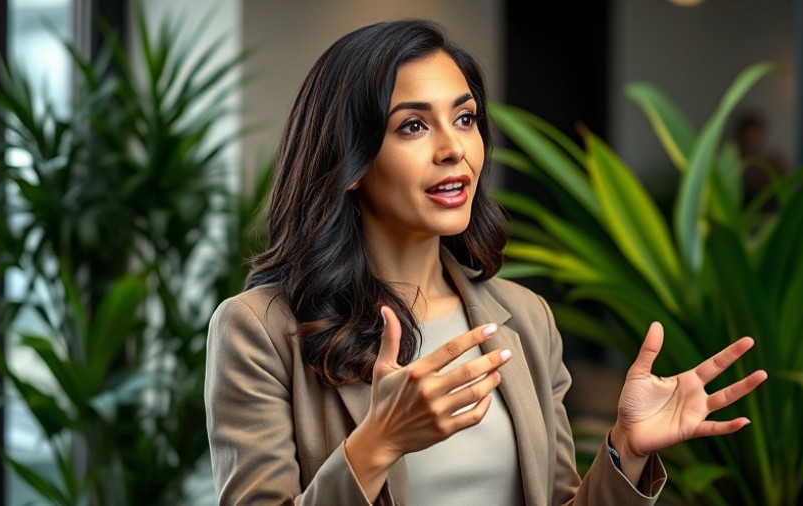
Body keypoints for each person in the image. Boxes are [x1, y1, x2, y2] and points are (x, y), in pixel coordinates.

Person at [204, 19, 767, 505]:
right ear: (350, 160)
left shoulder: (525, 317)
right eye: (414, 125)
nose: (454, 148)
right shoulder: (259, 331)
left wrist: (626, 450)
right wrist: (378, 443)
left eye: (466, 118)